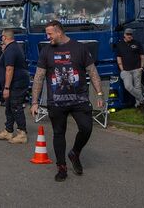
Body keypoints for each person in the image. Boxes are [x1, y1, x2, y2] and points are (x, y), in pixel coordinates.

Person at [30, 20, 104, 182]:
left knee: (86, 128)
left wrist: (99, 94)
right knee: (58, 133)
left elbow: (92, 72)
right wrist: (34, 101)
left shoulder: (80, 48)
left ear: (59, 32)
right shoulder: (46, 51)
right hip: (56, 102)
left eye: (49, 33)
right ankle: (61, 167)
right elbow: (39, 77)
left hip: (80, 100)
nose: (47, 36)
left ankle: (75, 153)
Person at [0, 29, 29, 144]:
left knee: (15, 106)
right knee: (9, 106)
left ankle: (22, 133)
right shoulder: (14, 47)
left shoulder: (11, 49)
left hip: (16, 84)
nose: (1, 39)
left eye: (1, 37)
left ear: (4, 37)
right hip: (15, 83)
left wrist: (7, 88)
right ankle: (8, 131)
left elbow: (9, 69)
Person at [116, 28, 144, 108]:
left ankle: (138, 105)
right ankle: (142, 99)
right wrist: (121, 68)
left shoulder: (137, 43)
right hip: (125, 70)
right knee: (128, 86)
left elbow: (142, 56)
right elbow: (118, 57)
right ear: (124, 35)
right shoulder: (120, 44)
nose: (129, 36)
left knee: (138, 86)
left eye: (131, 34)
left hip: (137, 69)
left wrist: (142, 67)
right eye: (128, 34)